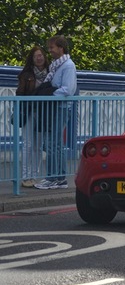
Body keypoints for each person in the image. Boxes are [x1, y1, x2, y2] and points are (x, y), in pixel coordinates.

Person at [35, 35, 77, 190]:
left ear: (61, 48)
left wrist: (49, 95)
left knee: (53, 144)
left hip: (60, 108)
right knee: (55, 144)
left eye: (52, 47)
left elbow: (69, 89)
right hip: (54, 108)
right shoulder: (56, 65)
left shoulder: (68, 66)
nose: (50, 50)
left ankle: (54, 178)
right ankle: (59, 178)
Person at [16, 46, 50, 187]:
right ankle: (25, 177)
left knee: (37, 146)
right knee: (27, 144)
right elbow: (20, 93)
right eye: (36, 55)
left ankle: (34, 176)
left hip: (42, 113)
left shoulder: (50, 73)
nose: (39, 58)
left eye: (41, 55)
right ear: (32, 58)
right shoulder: (26, 74)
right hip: (29, 112)